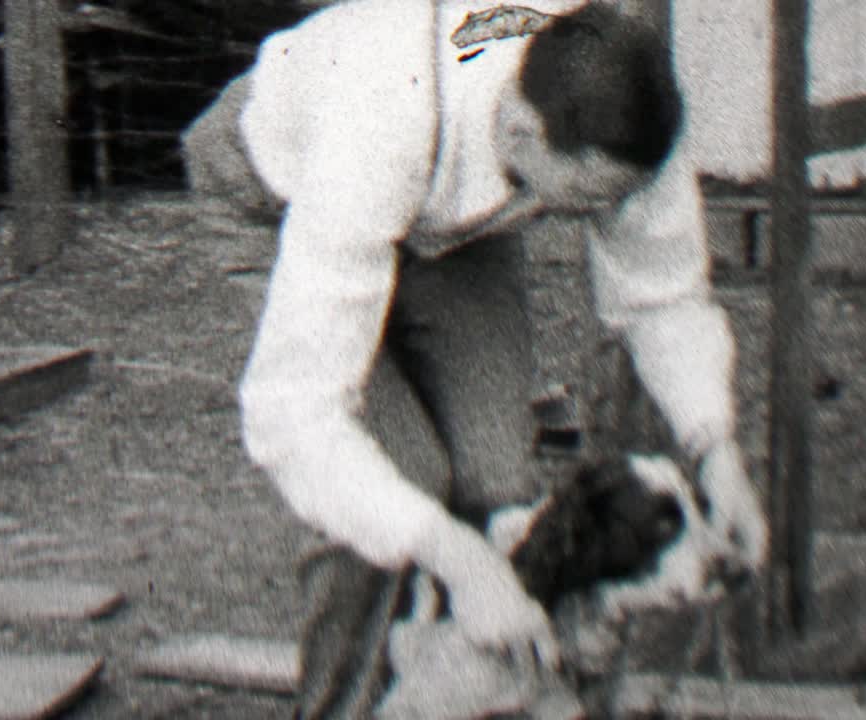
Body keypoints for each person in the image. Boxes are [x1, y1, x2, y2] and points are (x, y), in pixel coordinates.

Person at [225, 0, 770, 716]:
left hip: (452, 218)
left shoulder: (618, 107)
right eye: (589, 196)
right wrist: (457, 557)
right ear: (520, 129)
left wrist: (715, 449)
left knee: (498, 475)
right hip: (282, 192)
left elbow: (662, 293)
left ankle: (494, 690)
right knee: (405, 480)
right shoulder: (376, 116)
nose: (601, 215)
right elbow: (296, 418)